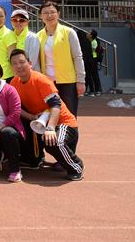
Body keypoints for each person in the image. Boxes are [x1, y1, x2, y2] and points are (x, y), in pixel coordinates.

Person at [10, 49, 84, 181]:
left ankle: (76, 166)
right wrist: (32, 117)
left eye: (21, 62)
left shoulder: (41, 80)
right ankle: (34, 158)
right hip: (40, 123)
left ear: (30, 63)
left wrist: (50, 128)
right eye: (14, 63)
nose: (18, 66)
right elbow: (15, 108)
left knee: (53, 142)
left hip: (64, 124)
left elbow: (56, 105)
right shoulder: (14, 83)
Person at [37, 1, 85, 116]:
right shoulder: (38, 36)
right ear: (40, 16)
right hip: (48, 83)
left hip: (67, 82)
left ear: (58, 14)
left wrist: (81, 81)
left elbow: (77, 57)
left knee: (69, 115)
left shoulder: (68, 32)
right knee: (51, 116)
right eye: (45, 13)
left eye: (52, 12)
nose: (49, 15)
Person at [85, 29, 103, 96]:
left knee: (93, 75)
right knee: (91, 75)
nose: (87, 33)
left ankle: (96, 91)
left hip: (92, 60)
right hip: (91, 60)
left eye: (89, 33)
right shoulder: (90, 41)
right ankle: (94, 90)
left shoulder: (94, 42)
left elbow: (91, 51)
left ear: (91, 35)